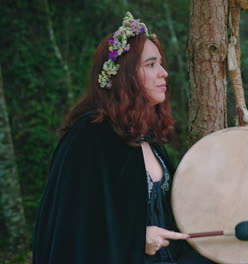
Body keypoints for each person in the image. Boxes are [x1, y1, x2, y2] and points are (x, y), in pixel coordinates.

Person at [33, 12, 215, 264]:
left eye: (160, 64)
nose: (164, 73)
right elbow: (73, 227)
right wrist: (136, 238)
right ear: (124, 76)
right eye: (151, 65)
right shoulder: (89, 137)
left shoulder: (147, 137)